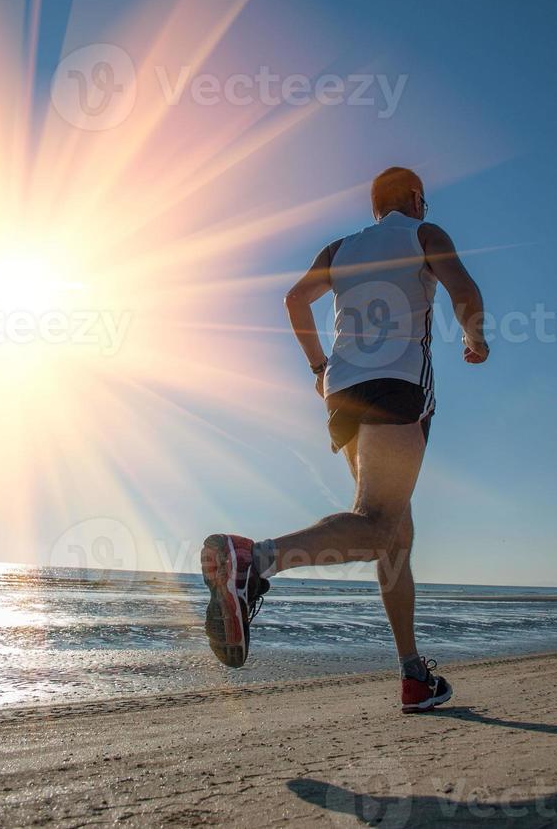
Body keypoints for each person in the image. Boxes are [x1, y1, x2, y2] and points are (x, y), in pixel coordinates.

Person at [201, 166, 489, 713]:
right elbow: (464, 289)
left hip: (344, 391)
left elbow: (294, 300)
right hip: (398, 384)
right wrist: (476, 337)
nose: (426, 205)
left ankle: (412, 676)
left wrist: (317, 367)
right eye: (422, 197)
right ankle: (255, 559)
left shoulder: (340, 248)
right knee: (379, 522)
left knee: (395, 531)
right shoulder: (424, 235)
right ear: (411, 198)